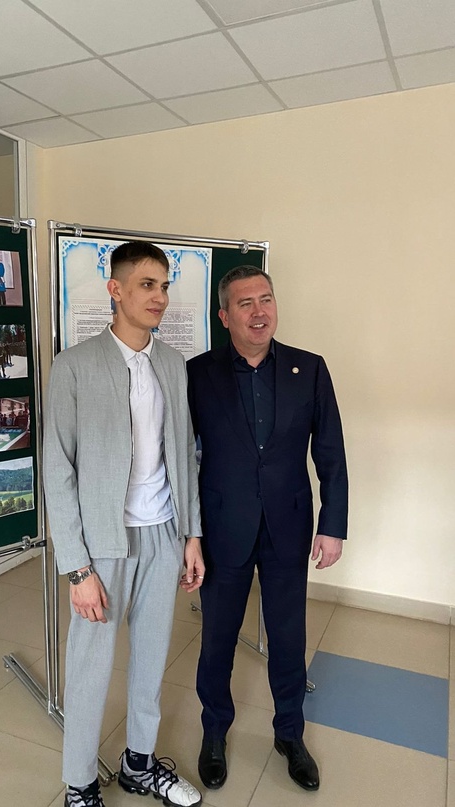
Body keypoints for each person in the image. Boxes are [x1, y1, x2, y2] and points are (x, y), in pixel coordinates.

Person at [43, 241, 204, 807]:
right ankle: (80, 783)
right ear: (116, 290)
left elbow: (184, 455)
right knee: (90, 665)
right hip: (101, 542)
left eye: (164, 286)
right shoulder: (74, 366)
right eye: (146, 285)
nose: (159, 297)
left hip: (163, 531)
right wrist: (77, 568)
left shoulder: (173, 364)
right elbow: (57, 470)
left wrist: (191, 535)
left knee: (153, 656)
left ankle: (139, 763)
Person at [187, 266, 348, 793]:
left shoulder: (309, 368)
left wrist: (333, 525)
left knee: (287, 636)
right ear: (224, 316)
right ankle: (215, 731)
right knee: (217, 638)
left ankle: (289, 734)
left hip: (288, 526)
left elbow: (330, 452)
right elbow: (181, 458)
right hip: (222, 527)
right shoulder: (198, 374)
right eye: (246, 303)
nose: (260, 312)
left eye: (266, 299)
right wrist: (188, 533)